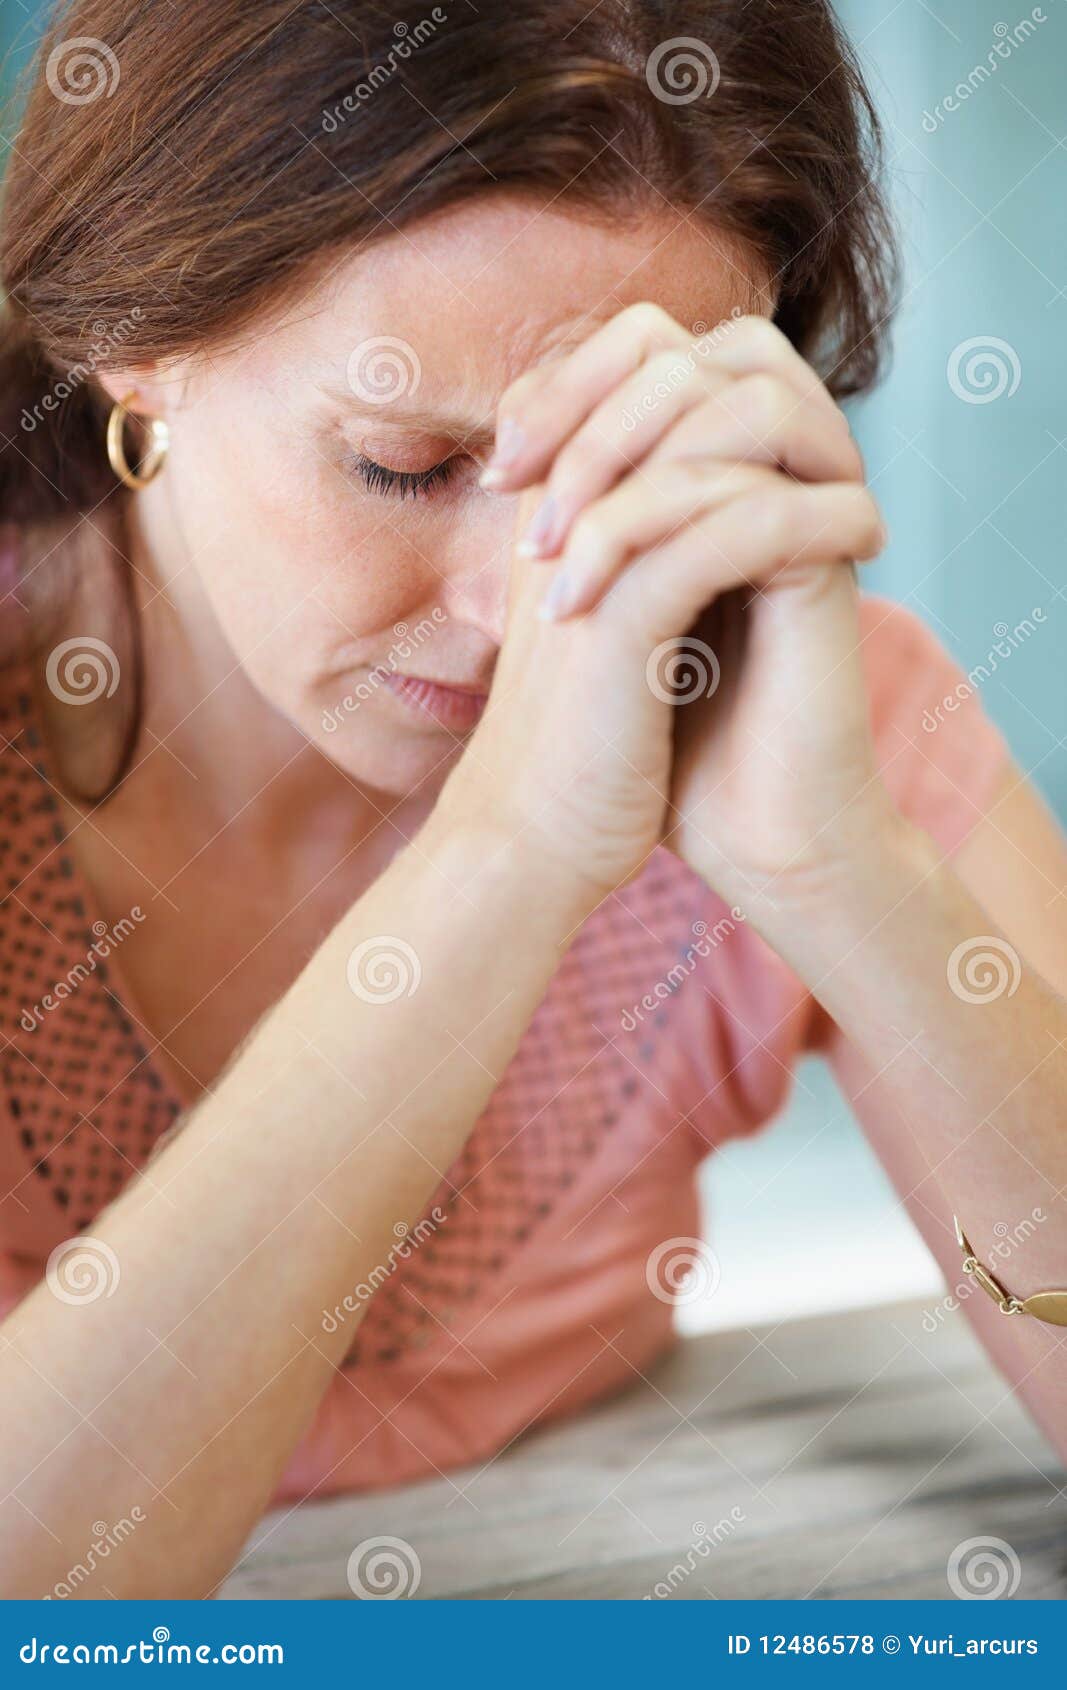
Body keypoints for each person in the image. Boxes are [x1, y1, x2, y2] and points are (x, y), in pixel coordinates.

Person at [0, 0, 1064, 1600]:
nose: (522, 617)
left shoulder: (804, 715)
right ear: (132, 338)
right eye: (404, 464)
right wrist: (509, 857)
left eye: (615, 479)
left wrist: (845, 869)